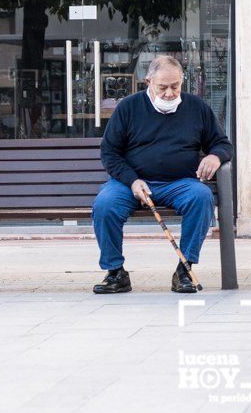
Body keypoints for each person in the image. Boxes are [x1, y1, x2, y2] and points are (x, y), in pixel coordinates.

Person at [92, 55, 233, 294]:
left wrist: (214, 156)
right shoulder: (129, 107)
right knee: (105, 205)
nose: (169, 93)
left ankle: (184, 269)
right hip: (131, 183)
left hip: (179, 183)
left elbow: (222, 144)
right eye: (163, 87)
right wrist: (132, 181)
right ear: (148, 81)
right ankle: (115, 272)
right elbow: (110, 152)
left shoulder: (197, 108)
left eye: (175, 86)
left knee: (201, 197)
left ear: (182, 81)